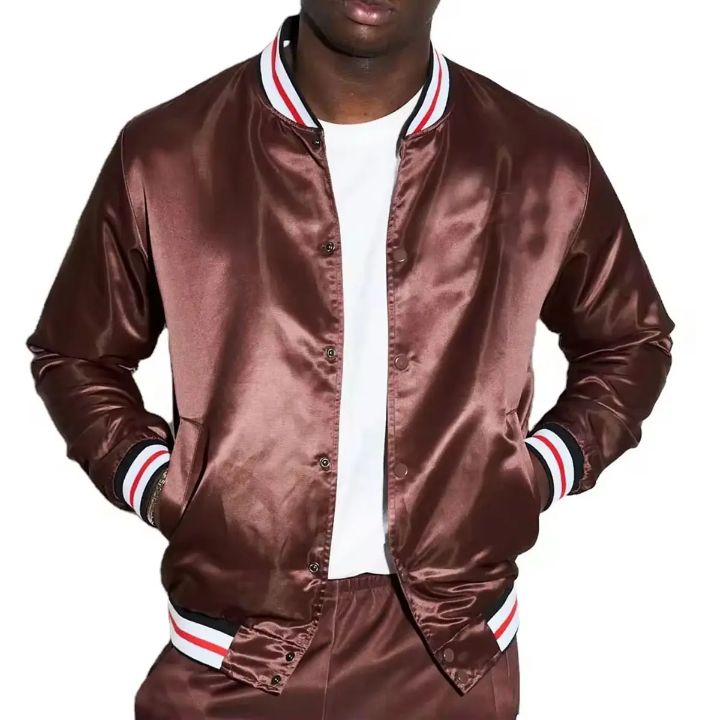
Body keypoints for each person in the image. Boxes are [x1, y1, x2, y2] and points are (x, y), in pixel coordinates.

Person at [26, 1, 674, 718]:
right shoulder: (167, 153)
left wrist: (536, 473)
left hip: (452, 650)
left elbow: (630, 340)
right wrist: (164, 485)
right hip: (231, 649)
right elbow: (76, 352)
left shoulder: (541, 158)